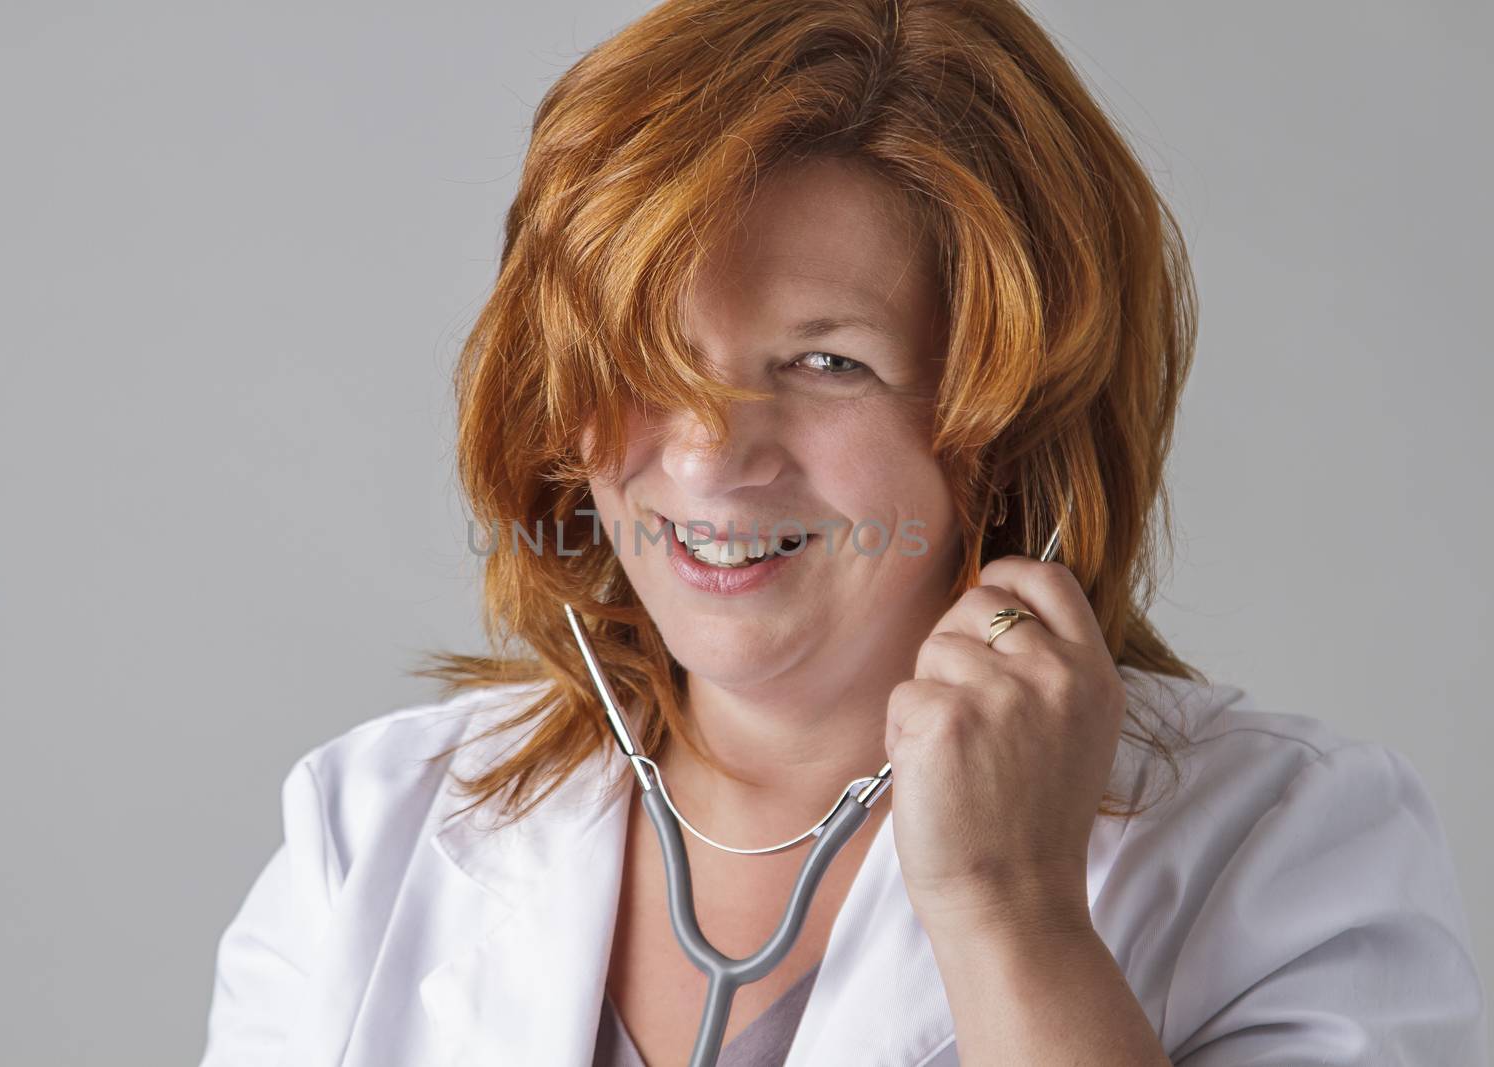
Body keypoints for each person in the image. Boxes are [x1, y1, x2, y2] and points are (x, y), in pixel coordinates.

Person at [198, 1, 1488, 1064]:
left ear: (1011, 418)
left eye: (826, 360)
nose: (710, 454)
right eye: (647, 355)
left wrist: (1014, 916)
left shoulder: (1292, 848)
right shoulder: (368, 834)